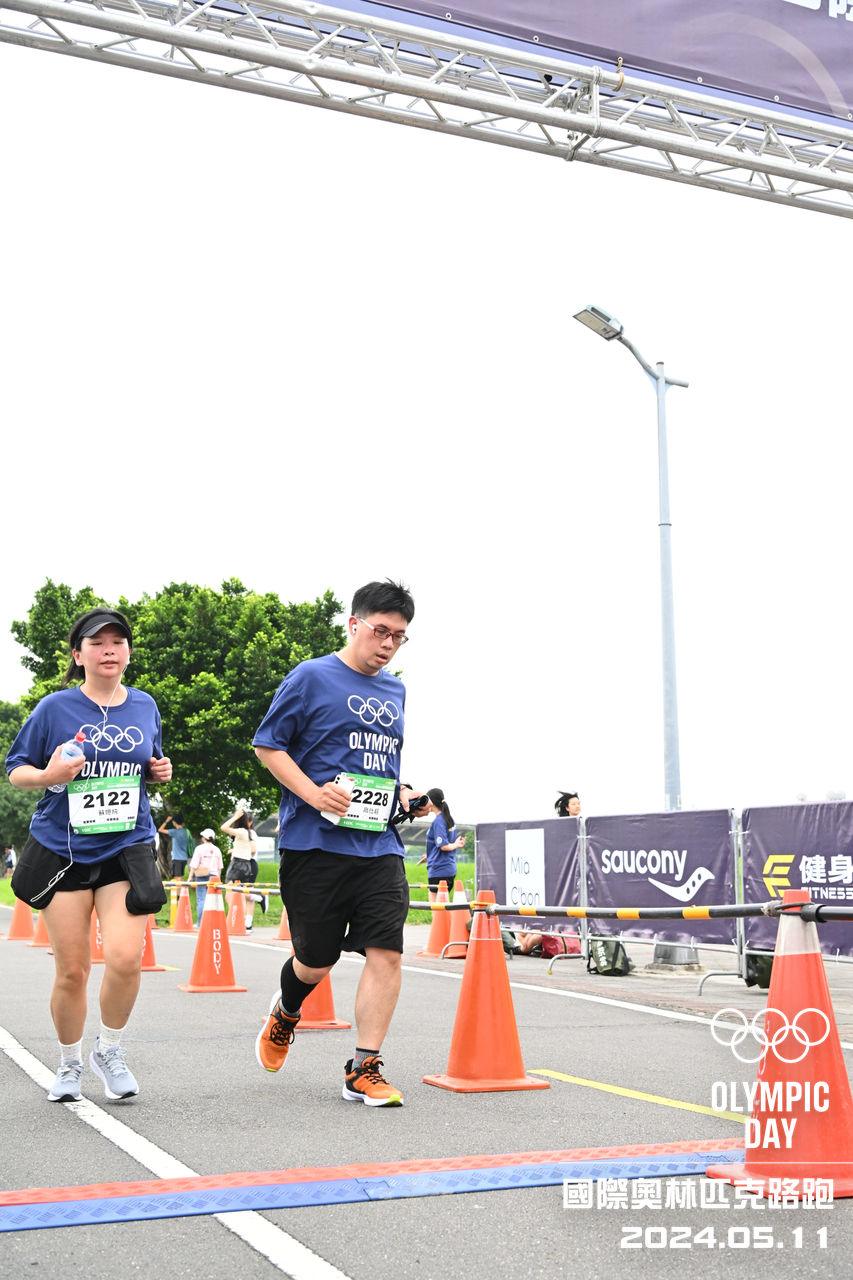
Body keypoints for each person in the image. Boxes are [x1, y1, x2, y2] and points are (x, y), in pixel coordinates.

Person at [253, 579, 421, 1107]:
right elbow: (268, 745)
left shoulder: (395, 691)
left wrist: (402, 794)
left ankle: (363, 1068)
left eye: (399, 636)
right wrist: (313, 794)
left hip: (379, 846)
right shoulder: (311, 676)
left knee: (386, 952)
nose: (388, 644)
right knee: (316, 960)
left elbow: (380, 764)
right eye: (381, 631)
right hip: (315, 844)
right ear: (354, 624)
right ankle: (286, 1012)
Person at [5, 608, 171, 1103]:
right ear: (78, 655)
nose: (109, 650)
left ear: (128, 653)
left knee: (125, 958)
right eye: (97, 643)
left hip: (125, 847)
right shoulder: (54, 708)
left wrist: (157, 771)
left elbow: (147, 763)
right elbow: (16, 768)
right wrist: (48, 776)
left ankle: (109, 1049)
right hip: (65, 850)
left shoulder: (145, 706)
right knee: (73, 969)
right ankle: (69, 1062)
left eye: (118, 642)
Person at [222, 806, 266, 933]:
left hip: (238, 864)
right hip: (246, 864)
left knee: (230, 894)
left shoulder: (242, 831)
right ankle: (241, 921)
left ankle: (238, 920)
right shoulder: (247, 832)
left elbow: (224, 827)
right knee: (239, 894)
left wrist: (235, 817)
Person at [417, 788, 465, 902]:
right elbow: (442, 845)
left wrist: (456, 844)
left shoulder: (439, 821)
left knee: (436, 909)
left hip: (439, 871)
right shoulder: (448, 818)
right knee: (442, 907)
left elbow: (443, 846)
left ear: (431, 802)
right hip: (448, 869)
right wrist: (430, 856)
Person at [187, 829, 222, 920]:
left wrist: (190, 877)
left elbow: (194, 865)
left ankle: (201, 922)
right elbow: (219, 867)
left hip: (201, 876)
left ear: (204, 838)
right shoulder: (217, 850)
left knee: (201, 899)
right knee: (212, 901)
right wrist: (218, 879)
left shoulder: (199, 848)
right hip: (214, 877)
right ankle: (212, 922)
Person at [157, 811, 191, 879]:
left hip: (177, 858)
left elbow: (160, 829)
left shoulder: (174, 832)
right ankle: (183, 886)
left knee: (178, 878)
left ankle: (181, 886)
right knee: (180, 877)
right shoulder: (187, 831)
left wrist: (167, 821)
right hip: (184, 858)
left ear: (174, 822)